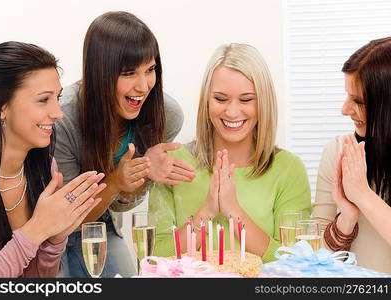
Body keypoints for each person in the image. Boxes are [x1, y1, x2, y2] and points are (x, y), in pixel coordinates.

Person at [55, 11, 195, 277]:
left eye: (150, 69)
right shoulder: (64, 119)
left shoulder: (166, 115)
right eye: (129, 73)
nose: (143, 86)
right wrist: (116, 182)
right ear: (99, 73)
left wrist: (142, 175)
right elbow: (69, 218)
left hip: (102, 225)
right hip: (53, 231)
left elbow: (121, 204)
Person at [149, 43, 311, 263]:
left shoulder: (288, 169)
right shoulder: (173, 164)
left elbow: (294, 261)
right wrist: (206, 212)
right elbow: (154, 258)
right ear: (206, 101)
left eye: (246, 100)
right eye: (221, 99)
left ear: (263, 102)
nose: (232, 112)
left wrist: (234, 211)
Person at [0, 41, 106, 277]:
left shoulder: (45, 168)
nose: (58, 112)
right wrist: (36, 229)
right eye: (44, 99)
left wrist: (55, 239)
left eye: (58, 97)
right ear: (1, 107)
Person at [313, 37, 391, 274]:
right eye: (348, 96)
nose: (345, 109)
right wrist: (346, 219)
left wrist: (363, 196)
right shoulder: (338, 152)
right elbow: (315, 259)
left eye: (358, 101)